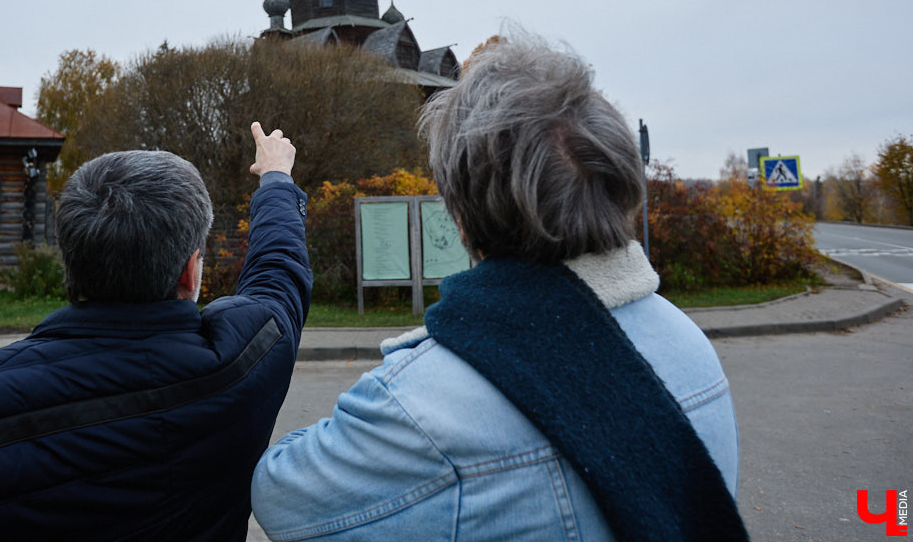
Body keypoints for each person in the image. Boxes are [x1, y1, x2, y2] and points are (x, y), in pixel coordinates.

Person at [252, 34, 748, 541]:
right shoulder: (689, 344)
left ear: (462, 219)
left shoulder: (423, 401)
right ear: (620, 188)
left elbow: (280, 495)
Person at [0, 122, 311, 542]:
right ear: (191, 273)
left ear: (71, 265)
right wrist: (275, 178)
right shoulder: (243, 364)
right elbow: (278, 274)